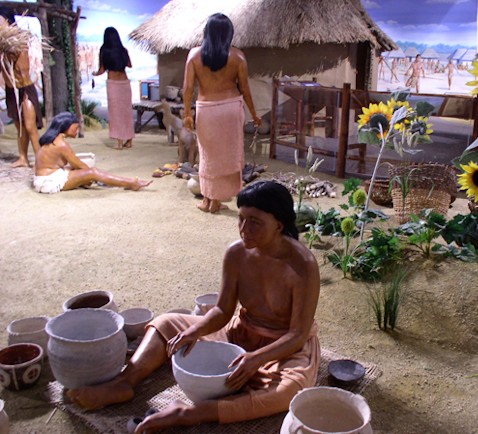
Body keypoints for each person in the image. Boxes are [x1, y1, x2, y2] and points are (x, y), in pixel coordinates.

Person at [66, 180, 321, 431]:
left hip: (285, 348)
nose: (244, 229)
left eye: (255, 222)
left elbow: (297, 335)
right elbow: (222, 311)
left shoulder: (302, 264)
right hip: (240, 332)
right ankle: (125, 381)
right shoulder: (236, 253)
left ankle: (190, 413)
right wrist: (194, 331)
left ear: (279, 224)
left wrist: (256, 359)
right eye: (241, 219)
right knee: (168, 323)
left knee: (289, 392)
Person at [182, 13, 261, 214]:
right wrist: (254, 113)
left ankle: (209, 200)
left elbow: (187, 89)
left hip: (206, 109)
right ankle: (215, 200)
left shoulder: (193, 55)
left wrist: (187, 114)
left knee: (208, 155)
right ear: (229, 34)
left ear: (206, 32)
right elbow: (245, 89)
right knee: (227, 154)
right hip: (230, 110)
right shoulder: (238, 56)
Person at [33, 112, 151, 193]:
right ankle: (131, 183)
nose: (77, 131)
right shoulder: (61, 144)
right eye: (75, 128)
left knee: (87, 170)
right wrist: (92, 175)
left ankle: (97, 179)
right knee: (93, 171)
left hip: (45, 177)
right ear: (66, 127)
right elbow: (79, 166)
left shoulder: (52, 139)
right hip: (49, 182)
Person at [0, 6, 43, 168]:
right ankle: (23, 158)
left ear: (7, 20)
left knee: (30, 126)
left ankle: (41, 159)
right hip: (12, 90)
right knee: (19, 127)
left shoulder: (19, 40)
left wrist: (7, 50)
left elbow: (22, 68)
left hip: (24, 90)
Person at [93, 27, 134, 150]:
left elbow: (101, 70)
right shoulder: (123, 50)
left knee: (115, 113)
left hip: (113, 84)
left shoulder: (104, 50)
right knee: (126, 112)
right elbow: (130, 65)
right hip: (125, 83)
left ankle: (120, 142)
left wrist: (94, 74)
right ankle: (129, 140)